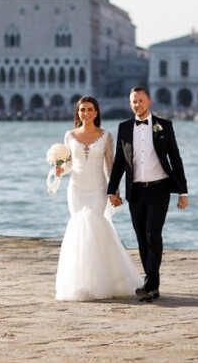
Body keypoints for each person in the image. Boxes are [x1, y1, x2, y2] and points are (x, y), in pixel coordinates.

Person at [54, 96, 141, 301]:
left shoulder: (106, 136)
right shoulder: (70, 136)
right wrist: (60, 169)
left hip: (98, 189)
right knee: (79, 230)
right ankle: (81, 283)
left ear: (96, 112)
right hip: (76, 189)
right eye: (82, 110)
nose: (86, 113)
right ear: (78, 113)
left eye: (90, 109)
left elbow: (109, 166)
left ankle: (102, 282)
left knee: (95, 228)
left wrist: (114, 190)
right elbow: (70, 164)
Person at [107, 87, 188, 302]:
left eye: (141, 101)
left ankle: (150, 283)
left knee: (153, 234)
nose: (138, 105)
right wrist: (111, 190)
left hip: (160, 189)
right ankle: (153, 284)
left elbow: (175, 159)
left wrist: (183, 191)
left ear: (149, 102)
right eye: (134, 101)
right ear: (130, 104)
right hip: (135, 191)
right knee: (141, 238)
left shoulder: (164, 126)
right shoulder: (124, 127)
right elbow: (119, 163)